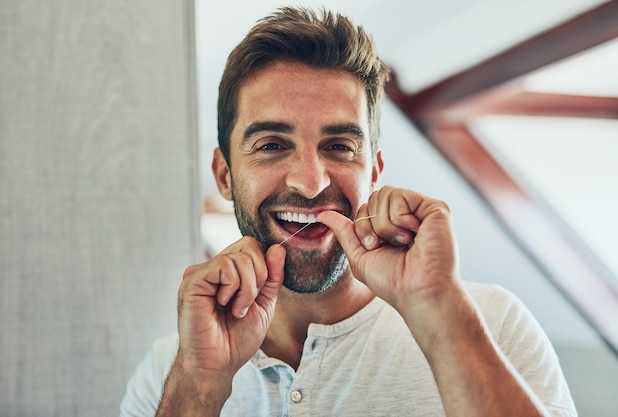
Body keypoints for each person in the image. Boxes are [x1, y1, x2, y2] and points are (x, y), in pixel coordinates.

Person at [120, 6, 577, 417]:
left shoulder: (492, 324)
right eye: (272, 145)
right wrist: (200, 389)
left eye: (339, 146)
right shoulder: (173, 370)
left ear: (374, 172)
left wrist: (440, 315)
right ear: (224, 176)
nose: (311, 181)